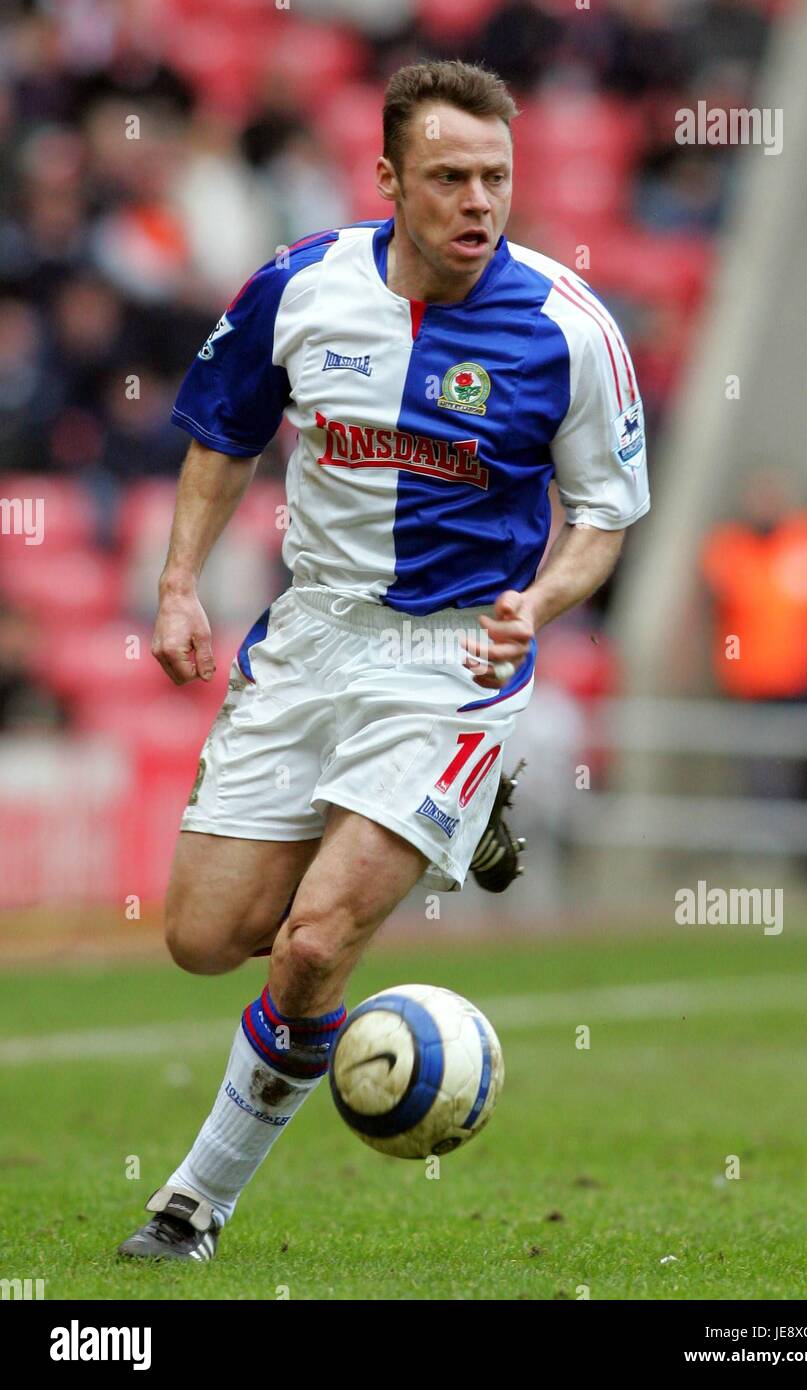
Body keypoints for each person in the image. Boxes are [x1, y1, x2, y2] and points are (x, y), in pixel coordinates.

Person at [118, 59, 649, 1262]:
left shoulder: (567, 328)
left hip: (453, 658)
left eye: (497, 178)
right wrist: (179, 582)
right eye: (450, 177)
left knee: (313, 944)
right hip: (309, 640)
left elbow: (604, 514)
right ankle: (441, 829)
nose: (479, 201)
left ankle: (189, 1208)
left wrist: (541, 601)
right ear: (389, 181)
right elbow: (223, 435)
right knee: (204, 938)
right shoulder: (300, 286)